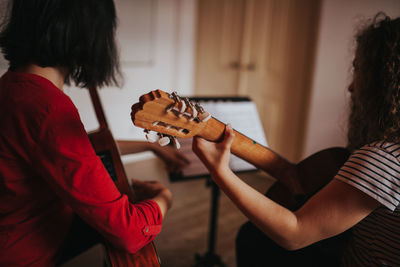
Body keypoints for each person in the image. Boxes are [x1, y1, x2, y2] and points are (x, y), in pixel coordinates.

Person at [193, 13, 400, 266]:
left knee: (252, 238)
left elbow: (295, 234)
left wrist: (220, 172)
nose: (351, 87)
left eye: (358, 69)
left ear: (383, 82)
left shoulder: (384, 157)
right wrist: (284, 169)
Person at [0, 0, 187, 266]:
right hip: (24, 250)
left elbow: (68, 151)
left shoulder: (13, 85)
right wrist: (164, 199)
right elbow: (130, 233)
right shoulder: (47, 106)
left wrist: (152, 147)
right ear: (87, 33)